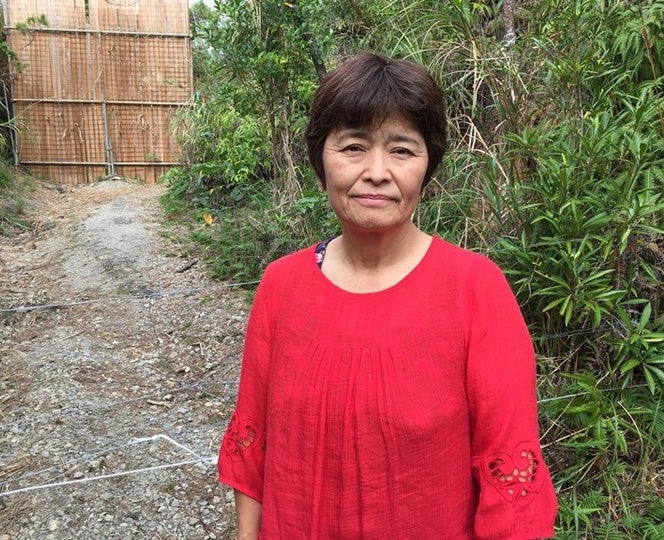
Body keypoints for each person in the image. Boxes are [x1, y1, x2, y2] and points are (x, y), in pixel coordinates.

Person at [218, 52, 558, 539]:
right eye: (353, 147)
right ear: (320, 160)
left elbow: (510, 480)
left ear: (427, 166)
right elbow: (253, 446)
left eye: (402, 150)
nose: (377, 171)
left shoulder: (475, 290)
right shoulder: (281, 286)